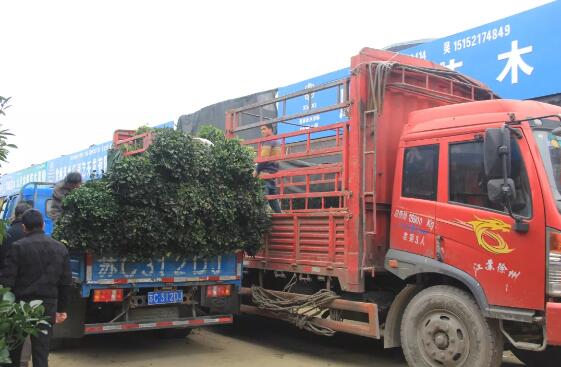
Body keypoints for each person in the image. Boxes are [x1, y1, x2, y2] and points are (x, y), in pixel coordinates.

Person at [0, 209, 71, 367]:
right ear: (43, 225)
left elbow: (7, 281)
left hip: (19, 308)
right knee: (41, 354)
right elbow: (66, 282)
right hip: (46, 309)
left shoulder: (17, 247)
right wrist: (62, 309)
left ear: (24, 227)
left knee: (14, 353)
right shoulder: (60, 248)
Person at [0, 202, 32, 367]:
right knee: (24, 328)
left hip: (7, 290)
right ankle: (22, 361)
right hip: (28, 290)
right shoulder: (33, 238)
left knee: (8, 327)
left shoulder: (6, 234)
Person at [254, 123, 282, 213]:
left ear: (270, 129)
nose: (262, 131)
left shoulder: (268, 141)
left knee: (263, 198)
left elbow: (264, 158)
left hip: (265, 173)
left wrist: (256, 170)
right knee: (272, 198)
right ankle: (280, 214)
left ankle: (266, 215)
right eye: (261, 129)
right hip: (273, 174)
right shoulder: (277, 142)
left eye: (264, 129)